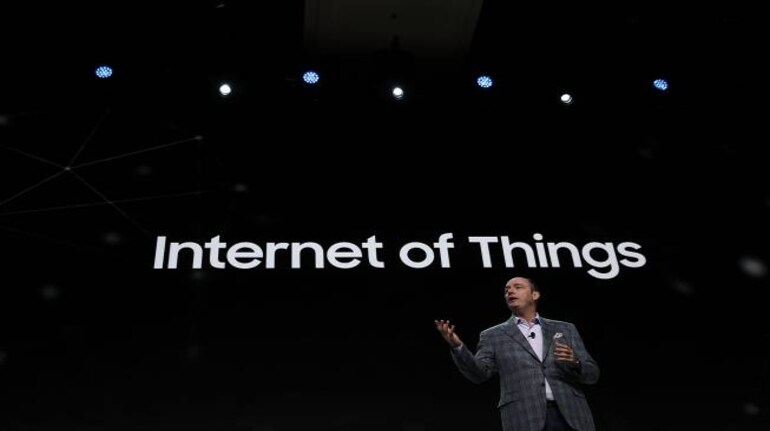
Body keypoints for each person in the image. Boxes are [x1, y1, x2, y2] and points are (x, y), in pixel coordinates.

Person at [435, 276, 599, 431]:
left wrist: (576, 363)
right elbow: (478, 374)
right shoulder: (492, 335)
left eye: (517, 287)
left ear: (535, 295)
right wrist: (458, 347)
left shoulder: (565, 329)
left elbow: (592, 374)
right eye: (507, 290)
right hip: (523, 417)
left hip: (572, 415)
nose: (510, 292)